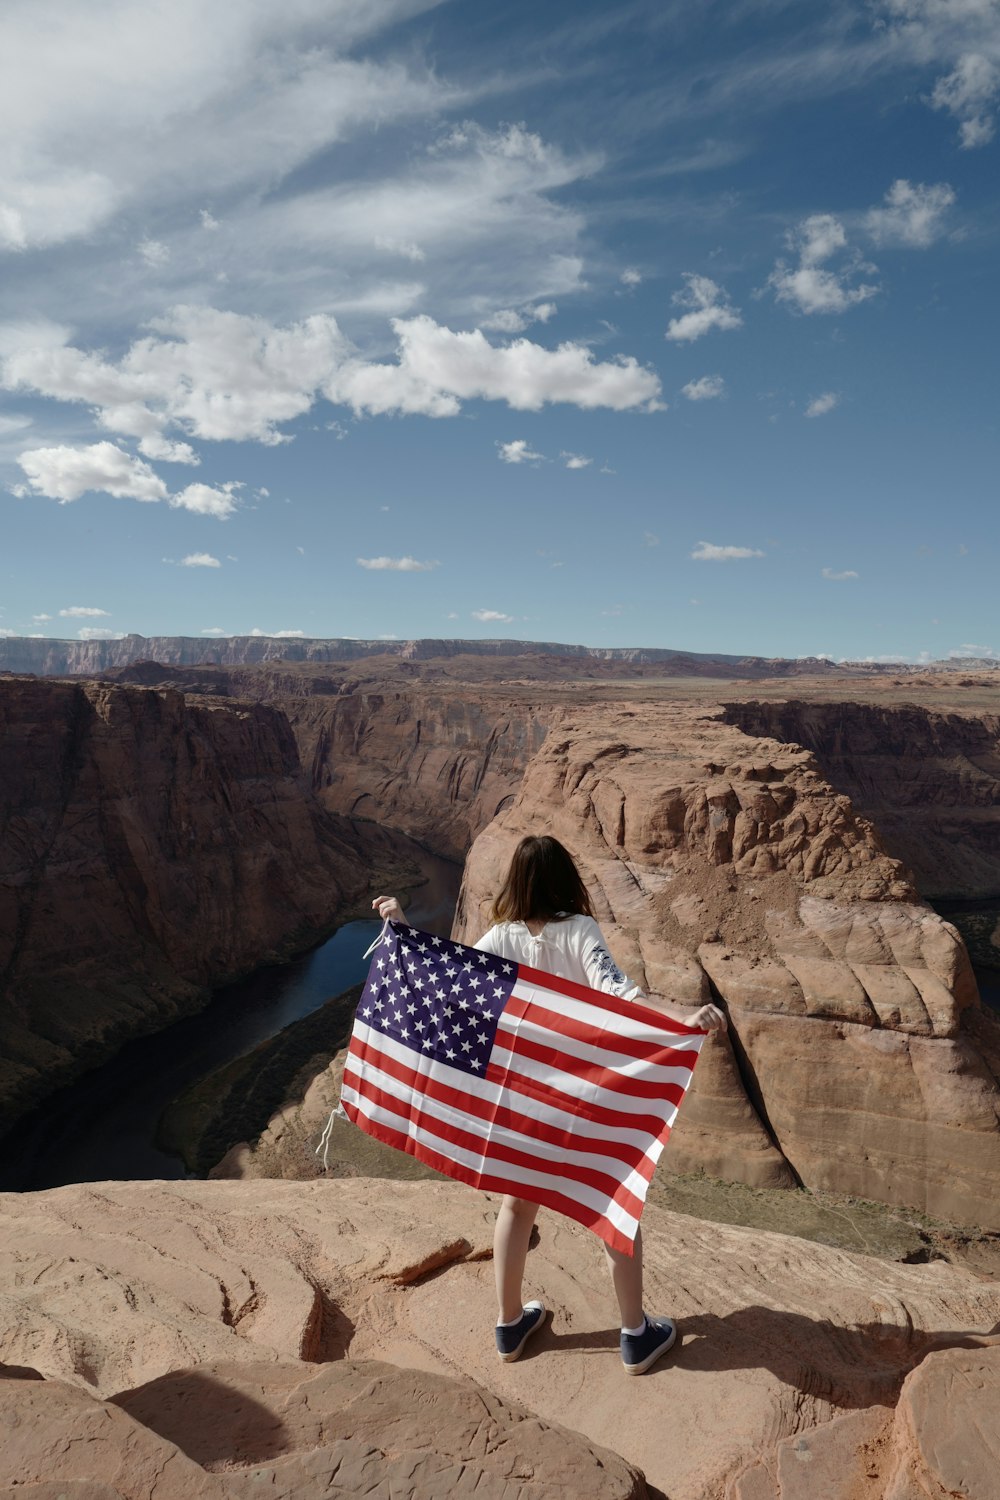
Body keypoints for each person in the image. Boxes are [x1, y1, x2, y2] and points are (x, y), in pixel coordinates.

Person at [372, 833, 726, 1376]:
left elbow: (453, 977)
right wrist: (682, 1018)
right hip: (580, 1100)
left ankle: (510, 1324)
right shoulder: (578, 930)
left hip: (520, 1104)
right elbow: (620, 995)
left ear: (516, 881)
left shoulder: (503, 935)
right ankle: (635, 1335)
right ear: (566, 880)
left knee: (516, 1206)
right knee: (614, 1208)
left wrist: (402, 930)